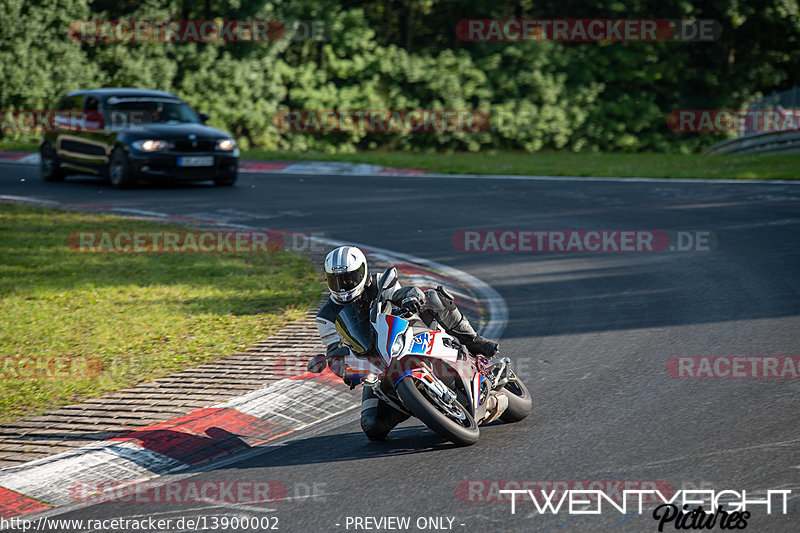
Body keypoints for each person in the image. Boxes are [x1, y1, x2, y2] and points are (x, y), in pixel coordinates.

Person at [311, 245, 499, 440]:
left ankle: (473, 340)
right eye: (337, 280)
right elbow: (333, 353)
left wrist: (412, 296)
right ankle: (417, 404)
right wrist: (346, 370)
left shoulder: (379, 282)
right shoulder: (325, 317)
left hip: (406, 334)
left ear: (363, 271)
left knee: (433, 297)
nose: (344, 285)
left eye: (350, 278)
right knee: (372, 426)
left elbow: (399, 293)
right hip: (375, 365)